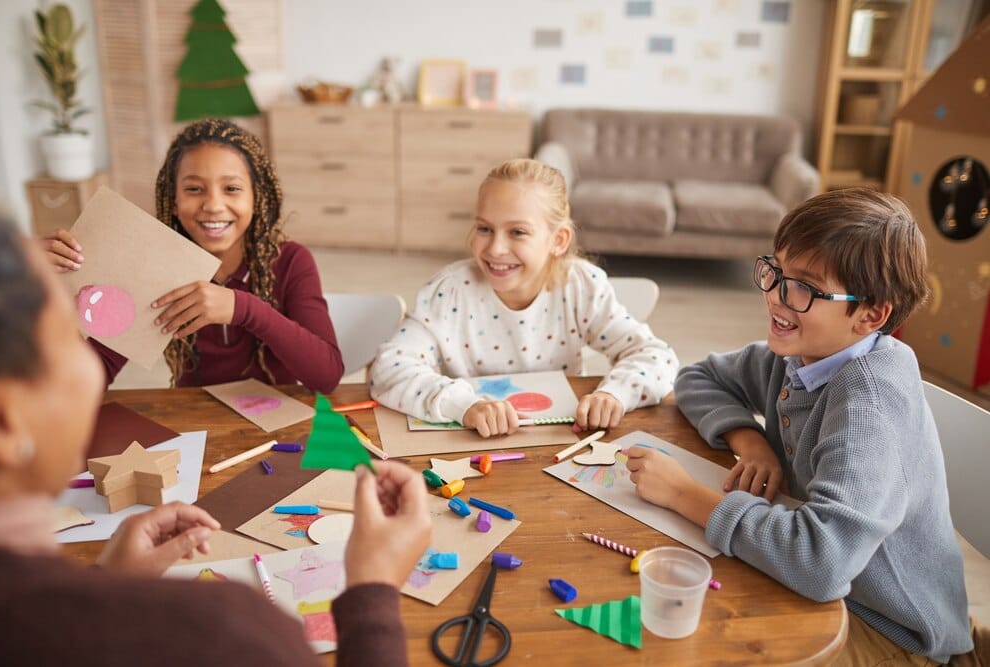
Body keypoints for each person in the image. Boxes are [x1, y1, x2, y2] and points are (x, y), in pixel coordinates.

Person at [0, 212, 431, 666]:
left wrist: (107, 577)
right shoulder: (229, 634)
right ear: (4, 421)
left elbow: (325, 370)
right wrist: (374, 590)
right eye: (69, 335)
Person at [625, 188, 980, 664]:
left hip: (892, 633)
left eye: (805, 288)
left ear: (871, 315)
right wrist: (750, 441)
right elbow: (697, 376)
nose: (775, 296)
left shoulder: (867, 406)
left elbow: (821, 562)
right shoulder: (800, 357)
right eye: (776, 271)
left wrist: (683, 495)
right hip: (822, 592)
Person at [369, 158, 679, 437]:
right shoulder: (450, 291)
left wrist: (615, 394)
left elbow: (657, 356)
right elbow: (389, 368)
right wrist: (462, 405)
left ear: (558, 240)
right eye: (484, 228)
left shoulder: (581, 286)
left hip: (558, 442)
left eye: (517, 232)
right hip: (471, 445)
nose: (495, 249)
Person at [41, 118, 343, 392]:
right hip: (195, 428)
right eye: (194, 189)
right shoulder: (151, 266)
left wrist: (244, 308)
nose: (213, 205)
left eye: (232, 188)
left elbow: (327, 376)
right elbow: (92, 378)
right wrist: (49, 302)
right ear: (173, 200)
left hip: (277, 426)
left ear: (256, 198)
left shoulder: (291, 261)